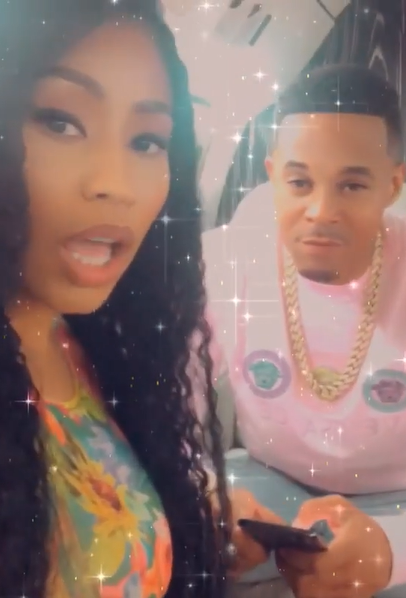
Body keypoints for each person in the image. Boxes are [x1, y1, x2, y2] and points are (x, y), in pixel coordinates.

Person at [0, 1, 280, 597]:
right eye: (59, 122)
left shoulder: (92, 344)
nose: (116, 184)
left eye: (147, 141)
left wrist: (190, 517)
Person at [202, 64, 406, 597]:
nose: (321, 211)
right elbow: (167, 406)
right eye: (299, 182)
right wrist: (205, 496)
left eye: (352, 184)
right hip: (266, 484)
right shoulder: (224, 261)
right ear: (273, 174)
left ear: (393, 184)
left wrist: (397, 552)